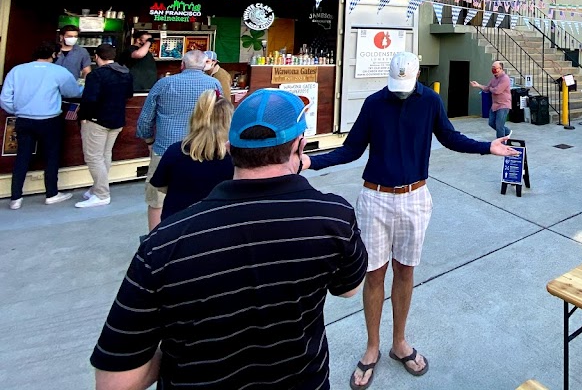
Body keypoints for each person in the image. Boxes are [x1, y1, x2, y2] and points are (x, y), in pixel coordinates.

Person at [90, 88, 368, 390]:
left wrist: (181, 348)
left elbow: (115, 382)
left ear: (230, 146)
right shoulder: (333, 217)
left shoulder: (163, 245)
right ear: (300, 146)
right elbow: (349, 289)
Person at [302, 52, 517, 387]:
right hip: (375, 198)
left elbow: (449, 137)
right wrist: (310, 163)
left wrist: (486, 148)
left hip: (415, 196)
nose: (400, 91)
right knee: (374, 275)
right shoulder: (374, 103)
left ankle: (399, 342)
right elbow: (351, 149)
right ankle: (372, 347)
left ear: (417, 75)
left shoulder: (430, 100)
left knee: (405, 270)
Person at [136, 49, 222, 230]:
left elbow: (145, 119)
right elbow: (220, 116)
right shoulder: (214, 84)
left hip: (165, 149)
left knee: (157, 199)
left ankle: (154, 240)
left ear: (181, 65)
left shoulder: (164, 84)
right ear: (205, 65)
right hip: (202, 149)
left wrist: (149, 141)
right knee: (199, 197)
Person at [1, 41, 83, 209]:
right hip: (50, 120)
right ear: (54, 54)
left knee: (22, 157)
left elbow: (5, 99)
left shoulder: (17, 70)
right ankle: (51, 193)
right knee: (51, 156)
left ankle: (15, 198)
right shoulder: (59, 71)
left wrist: (18, 111)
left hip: (23, 120)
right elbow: (73, 92)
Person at [148, 89, 234, 220]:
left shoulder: (175, 151)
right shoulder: (236, 159)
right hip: (217, 228)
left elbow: (160, 187)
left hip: (177, 228)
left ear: (196, 116)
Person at [76, 44, 134, 208]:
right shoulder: (125, 73)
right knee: (105, 155)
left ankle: (101, 193)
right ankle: (96, 189)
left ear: (97, 57)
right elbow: (129, 94)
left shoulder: (96, 75)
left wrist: (84, 117)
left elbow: (89, 99)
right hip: (117, 119)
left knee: (93, 157)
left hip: (97, 120)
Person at [470, 60, 512, 139]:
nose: (493, 70)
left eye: (495, 68)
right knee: (491, 123)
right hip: (495, 105)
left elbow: (497, 91)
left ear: (500, 68)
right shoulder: (494, 79)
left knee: (499, 126)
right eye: (492, 68)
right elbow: (486, 89)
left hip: (503, 105)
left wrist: (491, 88)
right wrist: (478, 85)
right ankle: (507, 132)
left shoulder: (505, 78)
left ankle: (501, 144)